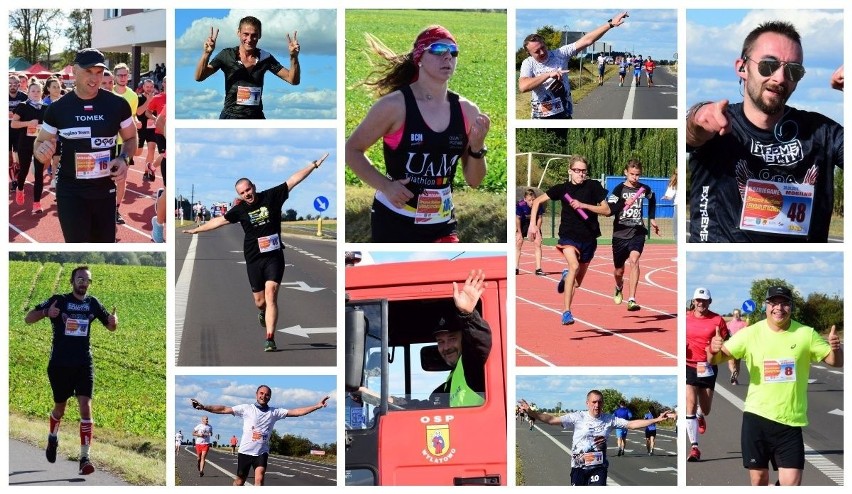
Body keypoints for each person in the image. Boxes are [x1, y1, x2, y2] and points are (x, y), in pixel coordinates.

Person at [686, 21, 843, 243]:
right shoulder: (718, 123)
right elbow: (691, 133)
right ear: (742, 67)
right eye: (768, 65)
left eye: (793, 70)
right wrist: (697, 120)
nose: (779, 78)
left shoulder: (822, 132)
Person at [345, 25, 490, 242]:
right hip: (394, 220)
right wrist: (386, 186)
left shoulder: (467, 110)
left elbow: (474, 181)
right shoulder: (394, 106)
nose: (448, 57)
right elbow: (352, 150)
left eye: (453, 51)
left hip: (442, 222)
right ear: (420, 57)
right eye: (439, 50)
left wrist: (477, 147)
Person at [183, 153, 329, 352]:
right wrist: (196, 229)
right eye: (242, 193)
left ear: (254, 186)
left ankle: (270, 338)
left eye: (248, 189)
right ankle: (262, 312)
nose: (247, 194)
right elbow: (219, 221)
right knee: (260, 302)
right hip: (253, 259)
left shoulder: (272, 196)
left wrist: (314, 165)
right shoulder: (240, 209)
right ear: (240, 195)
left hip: (274, 256)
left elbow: (294, 179)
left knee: (271, 294)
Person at [707, 285, 842, 486]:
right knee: (759, 480)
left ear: (791, 306)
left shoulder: (806, 333)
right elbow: (715, 359)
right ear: (766, 306)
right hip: (757, 417)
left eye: (784, 303)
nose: (779, 308)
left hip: (791, 421)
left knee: (792, 483)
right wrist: (712, 349)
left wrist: (835, 348)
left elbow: (835, 362)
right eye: (774, 303)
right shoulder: (750, 333)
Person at [33, 48, 137, 243]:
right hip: (71, 191)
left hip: (104, 191)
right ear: (74, 70)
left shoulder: (117, 105)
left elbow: (131, 138)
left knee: (105, 244)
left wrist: (124, 158)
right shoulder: (58, 109)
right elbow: (39, 144)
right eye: (88, 71)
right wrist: (41, 153)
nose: (94, 78)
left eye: (99, 72)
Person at [24, 265, 118, 475]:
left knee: (85, 406)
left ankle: (84, 458)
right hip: (59, 364)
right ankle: (52, 437)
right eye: (80, 278)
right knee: (60, 409)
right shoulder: (59, 299)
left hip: (84, 363)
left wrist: (113, 323)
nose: (84, 282)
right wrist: (47, 312)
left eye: (87, 280)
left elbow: (110, 327)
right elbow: (28, 318)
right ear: (72, 281)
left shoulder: (92, 303)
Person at [518, 390, 675, 486]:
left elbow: (632, 424)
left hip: (598, 468)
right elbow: (552, 420)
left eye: (600, 402)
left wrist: (656, 420)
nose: (597, 405)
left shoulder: (609, 419)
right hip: (578, 467)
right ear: (587, 403)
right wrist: (531, 412)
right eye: (594, 402)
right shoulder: (577, 417)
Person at [527, 155, 612, 325]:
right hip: (568, 236)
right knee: (573, 266)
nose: (581, 174)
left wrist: (584, 205)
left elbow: (607, 210)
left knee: (577, 283)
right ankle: (566, 312)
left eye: (583, 171)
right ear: (570, 171)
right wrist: (532, 225)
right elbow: (537, 201)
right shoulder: (562, 189)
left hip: (589, 238)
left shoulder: (593, 186)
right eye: (577, 171)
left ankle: (566, 277)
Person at [190, 385, 329, 486]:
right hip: (245, 452)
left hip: (261, 453)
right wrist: (203, 407)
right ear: (256, 395)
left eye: (267, 394)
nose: (264, 396)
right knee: (240, 481)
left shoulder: (275, 412)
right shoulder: (246, 409)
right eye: (261, 393)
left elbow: (297, 412)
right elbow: (224, 409)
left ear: (270, 397)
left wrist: (317, 405)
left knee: (259, 479)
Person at [519, 12, 629, 119]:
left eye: (543, 47)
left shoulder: (560, 54)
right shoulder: (528, 63)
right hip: (541, 117)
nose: (542, 52)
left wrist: (610, 24)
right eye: (537, 51)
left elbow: (587, 40)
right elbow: (523, 86)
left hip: (564, 114)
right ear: (529, 53)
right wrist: (548, 75)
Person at [195, 16, 301, 119]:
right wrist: (206, 53)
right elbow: (199, 77)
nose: (249, 39)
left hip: (256, 116)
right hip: (231, 116)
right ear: (238, 33)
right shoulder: (227, 55)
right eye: (246, 34)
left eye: (254, 35)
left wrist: (293, 57)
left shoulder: (265, 58)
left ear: (259, 36)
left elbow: (293, 80)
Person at [428, 269, 492, 407]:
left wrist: (467, 315)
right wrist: (394, 401)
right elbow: (427, 406)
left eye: (452, 339)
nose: (446, 347)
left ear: (464, 338)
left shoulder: (472, 365)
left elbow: (481, 342)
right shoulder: (451, 381)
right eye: (441, 341)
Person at [685, 287, 728, 462]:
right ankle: (694, 447)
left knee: (705, 408)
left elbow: (725, 342)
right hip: (688, 365)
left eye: (704, 300)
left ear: (709, 302)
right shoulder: (685, 319)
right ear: (693, 301)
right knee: (690, 404)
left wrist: (718, 347)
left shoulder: (717, 320)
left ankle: (701, 415)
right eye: (698, 300)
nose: (700, 303)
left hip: (708, 367)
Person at [11, 81, 47, 212]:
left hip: (40, 144)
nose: (36, 93)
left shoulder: (46, 108)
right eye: (33, 91)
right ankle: (20, 189)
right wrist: (28, 123)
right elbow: (13, 124)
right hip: (24, 144)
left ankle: (36, 204)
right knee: (24, 170)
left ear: (42, 92)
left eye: (38, 91)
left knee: (39, 174)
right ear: (28, 92)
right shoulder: (22, 106)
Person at [516, 188, 544, 276]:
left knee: (537, 244)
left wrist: (537, 230)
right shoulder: (520, 205)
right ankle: (515, 268)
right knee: (518, 243)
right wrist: (519, 232)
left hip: (534, 223)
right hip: (522, 223)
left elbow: (539, 218)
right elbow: (517, 219)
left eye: (533, 200)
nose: (532, 202)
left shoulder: (538, 204)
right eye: (529, 200)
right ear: (525, 199)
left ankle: (538, 268)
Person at [9, 73, 28, 192]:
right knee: (9, 159)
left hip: (19, 131)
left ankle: (18, 177)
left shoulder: (24, 97)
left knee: (19, 158)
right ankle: (14, 181)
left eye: (15, 84)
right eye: (10, 84)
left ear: (19, 85)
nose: (12, 86)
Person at [726, 309, 749, 385]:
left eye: (737, 313)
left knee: (731, 362)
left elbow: (725, 334)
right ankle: (734, 379)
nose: (736, 315)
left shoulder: (728, 324)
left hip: (731, 345)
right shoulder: (744, 324)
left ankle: (733, 372)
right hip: (740, 346)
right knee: (737, 364)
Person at [662, 169, 677, 242]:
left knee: (676, 231)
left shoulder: (675, 182)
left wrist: (665, 197)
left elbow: (669, 197)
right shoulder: (675, 182)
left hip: (678, 206)